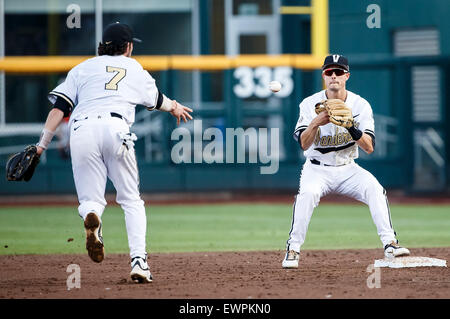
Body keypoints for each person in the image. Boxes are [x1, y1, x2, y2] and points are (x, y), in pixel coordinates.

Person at [35, 22, 193, 282]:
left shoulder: (82, 68)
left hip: (82, 129)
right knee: (131, 200)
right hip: (116, 128)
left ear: (102, 46)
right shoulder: (134, 67)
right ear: (128, 46)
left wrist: (41, 146)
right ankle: (139, 262)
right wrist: (175, 106)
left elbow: (59, 109)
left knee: (90, 200)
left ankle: (91, 216)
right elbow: (157, 100)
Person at [282, 54, 409, 268]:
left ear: (346, 76)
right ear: (323, 76)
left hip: (348, 168)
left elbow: (369, 147)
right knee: (307, 194)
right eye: (329, 72)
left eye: (338, 72)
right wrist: (316, 122)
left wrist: (351, 127)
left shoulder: (360, 105)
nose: (333, 76)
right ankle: (293, 249)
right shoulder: (309, 104)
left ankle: (390, 244)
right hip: (317, 169)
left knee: (375, 190)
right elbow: (303, 144)